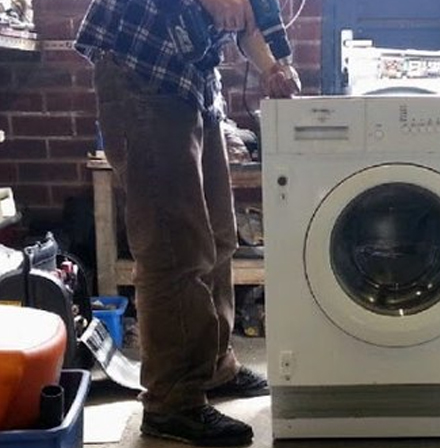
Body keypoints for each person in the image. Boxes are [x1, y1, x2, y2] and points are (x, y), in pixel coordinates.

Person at [74, 0, 300, 445]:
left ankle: (213, 366)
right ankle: (171, 402)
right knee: (172, 247)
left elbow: (256, 13)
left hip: (193, 77)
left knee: (217, 236)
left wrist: (275, 65)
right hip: (142, 68)